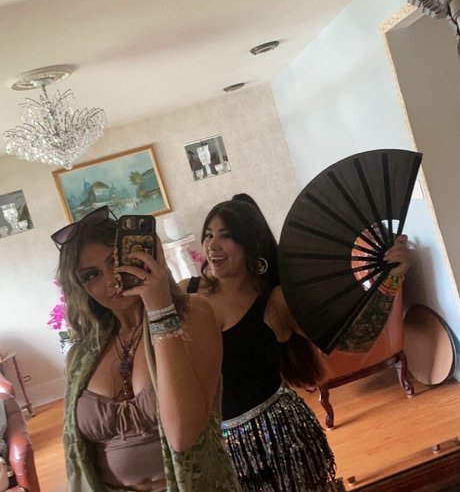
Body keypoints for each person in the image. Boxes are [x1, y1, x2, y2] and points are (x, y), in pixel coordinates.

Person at [179, 194, 410, 492]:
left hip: (281, 439)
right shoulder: (185, 295)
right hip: (217, 448)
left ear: (250, 245)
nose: (213, 245)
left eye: (226, 236)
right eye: (209, 235)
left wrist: (391, 280)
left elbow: (354, 339)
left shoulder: (275, 300)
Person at [51, 206, 241, 492]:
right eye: (91, 275)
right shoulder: (81, 355)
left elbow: (183, 435)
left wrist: (159, 309)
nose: (110, 279)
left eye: (115, 261)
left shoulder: (192, 314)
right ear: (80, 288)